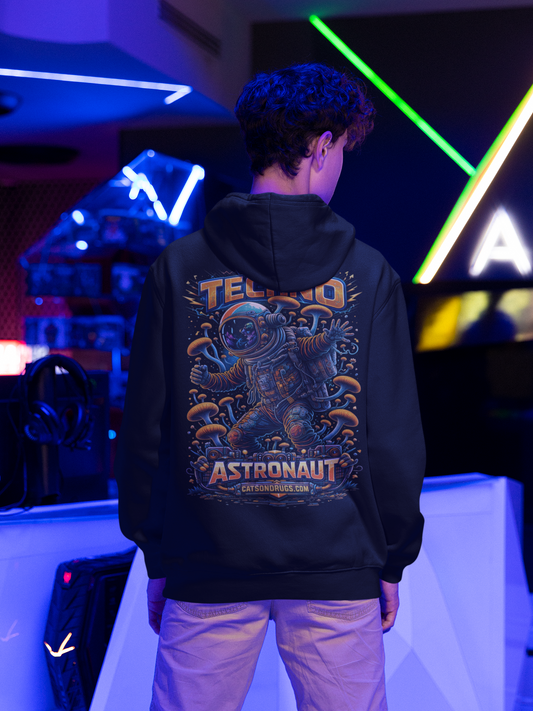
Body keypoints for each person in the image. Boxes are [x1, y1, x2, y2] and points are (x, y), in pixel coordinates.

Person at [115, 63, 425, 711]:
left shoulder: (177, 269)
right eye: (343, 149)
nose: (340, 166)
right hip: (336, 564)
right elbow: (392, 438)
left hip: (206, 559)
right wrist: (391, 557)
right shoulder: (370, 274)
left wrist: (158, 552)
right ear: (322, 146)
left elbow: (145, 429)